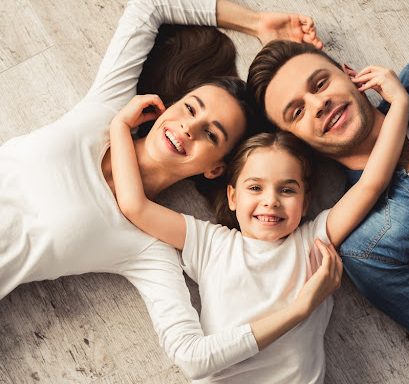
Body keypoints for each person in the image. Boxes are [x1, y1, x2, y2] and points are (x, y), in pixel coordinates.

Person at [0, 0, 326, 379]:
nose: (189, 127)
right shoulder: (105, 109)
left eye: (210, 133)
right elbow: (150, 6)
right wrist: (256, 23)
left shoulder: (146, 246)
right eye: (190, 108)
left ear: (215, 168)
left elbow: (192, 356)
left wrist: (300, 309)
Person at [108, 61, 409, 382]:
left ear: (305, 201)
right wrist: (119, 128)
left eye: (287, 189)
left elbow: (370, 183)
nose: (271, 200)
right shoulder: (209, 243)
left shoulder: (313, 243)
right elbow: (134, 205)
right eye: (255, 187)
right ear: (233, 197)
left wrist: (400, 105)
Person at [246, 41, 409, 365]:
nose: (319, 103)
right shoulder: (369, 246)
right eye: (298, 112)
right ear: (297, 143)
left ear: (349, 74)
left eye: (320, 83)